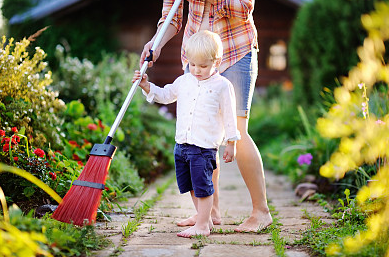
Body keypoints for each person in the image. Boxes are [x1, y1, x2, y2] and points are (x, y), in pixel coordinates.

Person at [140, 0, 272, 232]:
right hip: (196, 54)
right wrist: (156, 43)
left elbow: (244, 8)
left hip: (234, 50)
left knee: (238, 130)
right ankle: (209, 212)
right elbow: (172, 14)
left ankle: (261, 212)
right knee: (204, 133)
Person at [133, 30, 241, 237]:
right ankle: (204, 218)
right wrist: (147, 86)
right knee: (190, 184)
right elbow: (165, 95)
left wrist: (231, 143)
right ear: (187, 61)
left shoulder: (222, 86)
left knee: (203, 187)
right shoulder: (184, 81)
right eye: (193, 65)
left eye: (203, 66)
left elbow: (229, 116)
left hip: (203, 148)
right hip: (182, 144)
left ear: (216, 62)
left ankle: (201, 227)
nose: (197, 70)